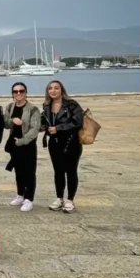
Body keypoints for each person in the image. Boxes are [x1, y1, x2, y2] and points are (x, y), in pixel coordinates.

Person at [41, 80, 84, 213]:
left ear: (62, 90)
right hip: (54, 143)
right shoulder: (47, 105)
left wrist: (58, 128)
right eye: (50, 89)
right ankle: (59, 198)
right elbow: (45, 122)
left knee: (71, 171)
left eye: (56, 88)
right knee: (58, 171)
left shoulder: (72, 105)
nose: (53, 91)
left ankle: (70, 200)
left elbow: (78, 122)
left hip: (71, 142)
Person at [3, 82, 41, 212]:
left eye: (21, 91)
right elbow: (6, 125)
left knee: (29, 172)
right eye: (15, 91)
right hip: (14, 144)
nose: (18, 93)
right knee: (18, 171)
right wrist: (12, 120)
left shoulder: (33, 109)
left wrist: (23, 141)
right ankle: (20, 194)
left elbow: (35, 129)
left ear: (26, 92)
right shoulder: (9, 107)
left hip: (28, 144)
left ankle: (29, 199)